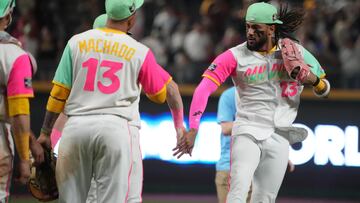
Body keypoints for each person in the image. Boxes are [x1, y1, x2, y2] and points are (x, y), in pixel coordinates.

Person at [175, 2, 330, 202]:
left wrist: (313, 81)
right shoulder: (235, 55)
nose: (250, 32)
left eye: (256, 28)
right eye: (247, 26)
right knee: (237, 192)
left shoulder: (295, 53)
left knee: (265, 198)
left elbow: (325, 88)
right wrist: (194, 128)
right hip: (247, 130)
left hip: (280, 134)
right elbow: (203, 89)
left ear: (272, 28)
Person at [36, 0, 185, 202]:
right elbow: (159, 95)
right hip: (116, 128)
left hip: (76, 127)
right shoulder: (139, 50)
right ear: (132, 20)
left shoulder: (76, 42)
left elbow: (58, 94)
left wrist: (46, 133)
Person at [0, 0, 44, 202]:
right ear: (8, 17)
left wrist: (31, 140)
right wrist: (25, 159)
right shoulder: (13, 55)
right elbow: (18, 113)